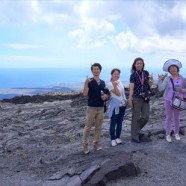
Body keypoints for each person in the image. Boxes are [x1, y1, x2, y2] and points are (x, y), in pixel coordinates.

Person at [82, 63, 109, 154]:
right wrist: (86, 83)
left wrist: (106, 96)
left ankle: (96, 143)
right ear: (92, 71)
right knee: (88, 127)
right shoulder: (89, 81)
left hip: (100, 107)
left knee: (98, 127)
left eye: (97, 69)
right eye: (94, 69)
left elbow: (105, 94)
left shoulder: (102, 82)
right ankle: (85, 145)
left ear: (100, 70)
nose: (96, 70)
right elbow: (85, 94)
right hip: (91, 107)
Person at [158, 59, 186, 142]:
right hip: (168, 100)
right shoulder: (167, 79)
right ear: (169, 70)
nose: (172, 69)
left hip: (178, 100)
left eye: (174, 67)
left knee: (177, 118)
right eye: (170, 68)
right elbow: (160, 89)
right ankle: (167, 134)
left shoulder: (183, 79)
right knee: (168, 117)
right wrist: (159, 80)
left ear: (177, 68)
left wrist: (181, 90)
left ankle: (176, 133)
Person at [128, 57, 153, 143]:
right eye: (137, 63)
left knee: (146, 117)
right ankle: (134, 136)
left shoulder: (146, 73)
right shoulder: (133, 75)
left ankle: (135, 130)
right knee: (135, 117)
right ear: (135, 65)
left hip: (146, 97)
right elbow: (131, 88)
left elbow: (150, 85)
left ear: (143, 64)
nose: (139, 65)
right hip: (137, 98)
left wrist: (151, 79)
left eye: (140, 63)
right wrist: (130, 98)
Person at [107, 68, 127, 147]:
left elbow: (122, 93)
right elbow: (118, 94)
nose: (116, 75)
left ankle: (118, 137)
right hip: (115, 106)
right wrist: (114, 85)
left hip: (122, 105)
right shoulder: (109, 84)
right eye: (115, 74)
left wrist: (125, 101)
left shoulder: (120, 82)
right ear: (112, 75)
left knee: (119, 123)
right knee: (113, 123)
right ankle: (112, 138)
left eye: (118, 74)